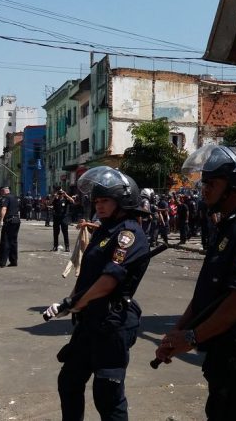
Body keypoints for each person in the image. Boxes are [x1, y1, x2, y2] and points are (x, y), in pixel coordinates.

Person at [156, 145, 236, 420]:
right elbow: (208, 294)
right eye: (204, 183)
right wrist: (176, 333)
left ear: (235, 186)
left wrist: (190, 338)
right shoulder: (231, 224)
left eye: (211, 183)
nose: (204, 189)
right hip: (224, 359)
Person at [43, 166, 151, 421]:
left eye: (105, 201)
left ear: (123, 201)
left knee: (108, 397)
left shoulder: (128, 234)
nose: (99, 206)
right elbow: (87, 277)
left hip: (112, 325)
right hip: (89, 321)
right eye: (97, 201)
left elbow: (108, 280)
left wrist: (72, 302)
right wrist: (70, 303)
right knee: (69, 381)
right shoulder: (104, 229)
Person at [0, 186, 20, 267]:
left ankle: (2, 262)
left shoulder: (5, 198)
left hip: (9, 221)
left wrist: (1, 221)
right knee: (13, 241)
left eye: (1, 192)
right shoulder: (15, 197)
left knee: (5, 241)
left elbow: (4, 209)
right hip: (16, 220)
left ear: (3, 191)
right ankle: (14, 261)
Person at [52, 186, 75, 252]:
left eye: (61, 193)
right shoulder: (55, 200)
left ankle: (67, 247)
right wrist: (54, 196)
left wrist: (66, 195)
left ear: (63, 193)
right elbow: (49, 203)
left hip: (64, 218)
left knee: (65, 233)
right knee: (56, 233)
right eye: (59, 193)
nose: (60, 194)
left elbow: (72, 201)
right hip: (56, 217)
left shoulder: (65, 200)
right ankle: (55, 246)